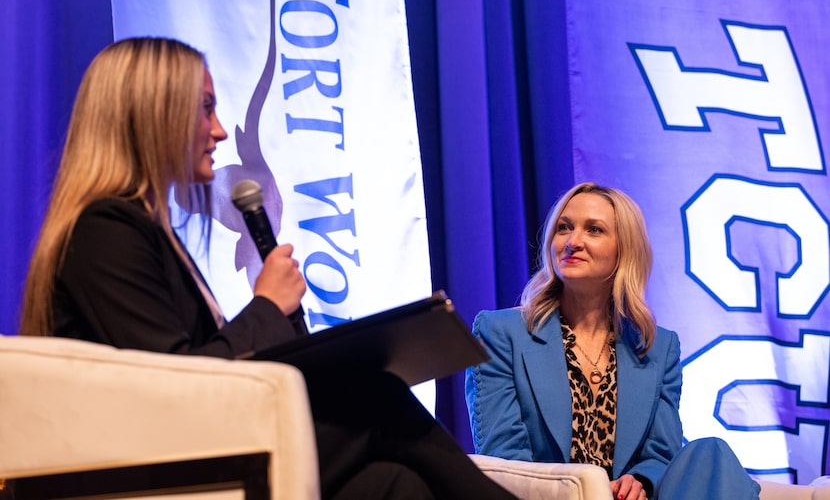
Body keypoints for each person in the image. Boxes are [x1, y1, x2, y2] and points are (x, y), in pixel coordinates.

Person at [19, 37, 517, 500]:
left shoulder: (141, 231)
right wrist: (266, 306)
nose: (218, 131)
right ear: (154, 115)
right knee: (376, 397)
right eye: (206, 109)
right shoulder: (105, 230)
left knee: (392, 484)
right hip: (149, 472)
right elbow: (171, 385)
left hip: (188, 449)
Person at [465, 182, 761, 500]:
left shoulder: (659, 348)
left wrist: (641, 480)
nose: (573, 242)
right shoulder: (500, 333)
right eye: (564, 228)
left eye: (594, 230)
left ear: (625, 249)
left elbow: (661, 452)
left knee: (711, 452)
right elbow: (504, 457)